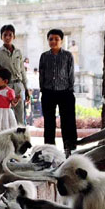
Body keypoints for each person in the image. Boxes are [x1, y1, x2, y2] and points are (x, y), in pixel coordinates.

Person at [38, 28, 77, 157]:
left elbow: (71, 73)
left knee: (68, 122)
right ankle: (49, 150)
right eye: (51, 39)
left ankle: (69, 148)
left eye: (56, 39)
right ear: (48, 40)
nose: (53, 41)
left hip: (65, 92)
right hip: (48, 92)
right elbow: (41, 74)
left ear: (61, 40)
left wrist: (70, 89)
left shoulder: (67, 56)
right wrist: (43, 89)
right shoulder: (44, 56)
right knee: (49, 123)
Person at [0, 24, 29, 124]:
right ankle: (7, 138)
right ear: (1, 37)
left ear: (14, 36)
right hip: (5, 88)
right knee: (6, 116)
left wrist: (26, 88)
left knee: (20, 115)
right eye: (5, 35)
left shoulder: (18, 53)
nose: (7, 37)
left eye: (10, 35)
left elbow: (22, 71)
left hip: (18, 86)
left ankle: (20, 138)